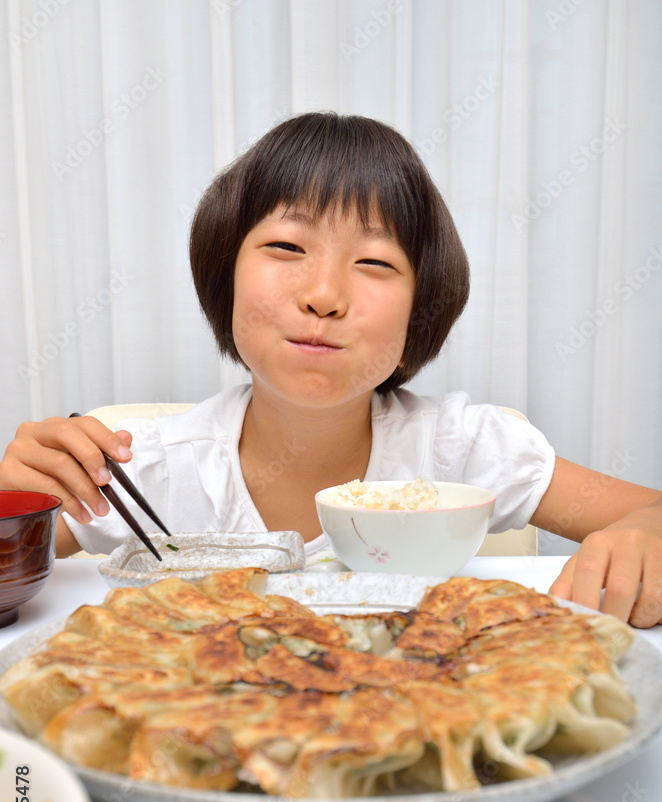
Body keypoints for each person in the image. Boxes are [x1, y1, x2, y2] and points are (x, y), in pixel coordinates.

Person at [1, 112, 661, 626]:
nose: (324, 295)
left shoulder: (465, 451)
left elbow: (651, 514)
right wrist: (11, 502)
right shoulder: (137, 469)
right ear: (224, 280)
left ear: (419, 317)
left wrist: (639, 542)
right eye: (287, 246)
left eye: (374, 262)